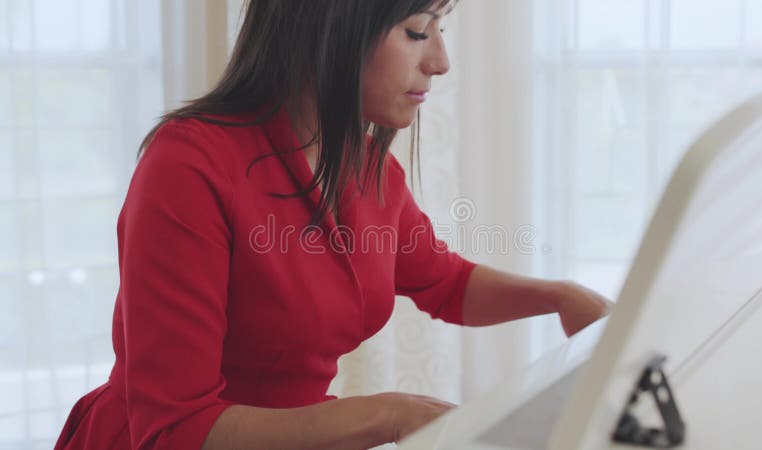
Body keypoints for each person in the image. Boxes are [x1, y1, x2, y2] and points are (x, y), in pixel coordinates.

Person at [54, 1, 610, 449]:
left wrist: (560, 297)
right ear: (330, 27)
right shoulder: (189, 166)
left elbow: (446, 283)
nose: (440, 61)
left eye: (441, 29)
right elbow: (176, 430)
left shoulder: (368, 167)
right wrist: (388, 416)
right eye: (418, 31)